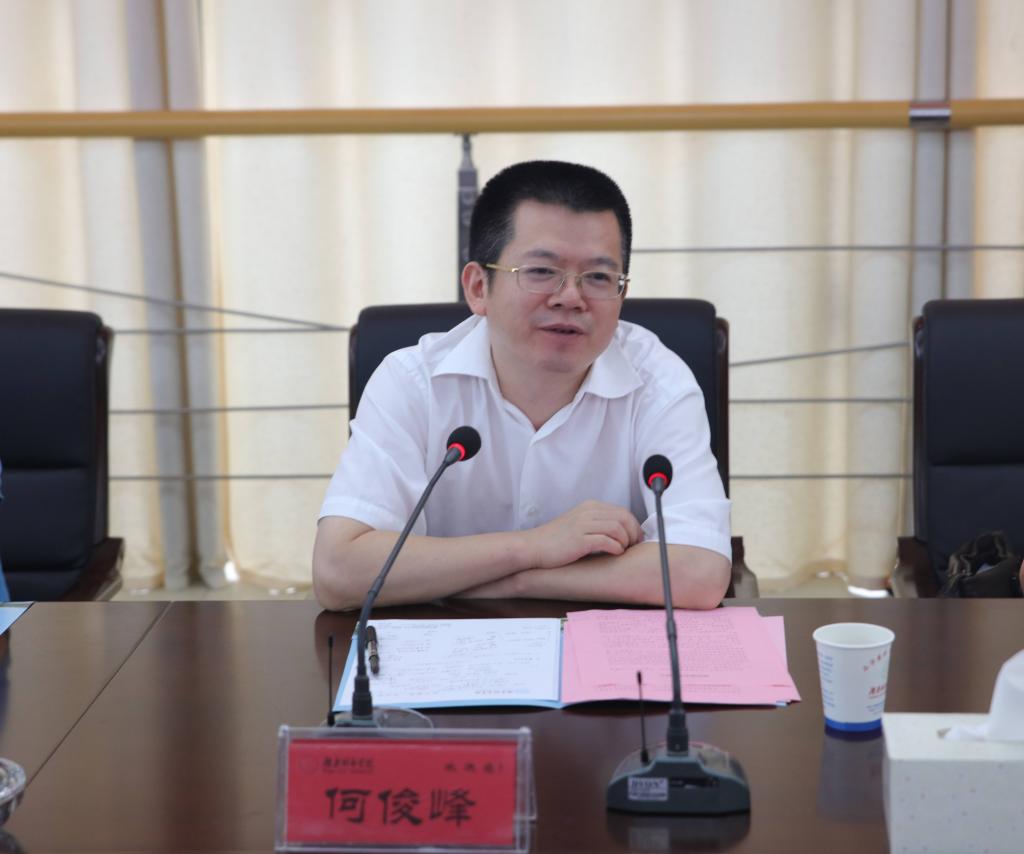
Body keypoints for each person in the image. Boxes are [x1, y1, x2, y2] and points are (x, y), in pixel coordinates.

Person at [313, 160, 731, 611]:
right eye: (541, 271)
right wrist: (533, 546)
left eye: (598, 277)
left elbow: (699, 571)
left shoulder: (658, 383)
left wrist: (509, 581)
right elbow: (339, 570)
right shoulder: (413, 383)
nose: (570, 297)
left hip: (604, 651)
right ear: (478, 287)